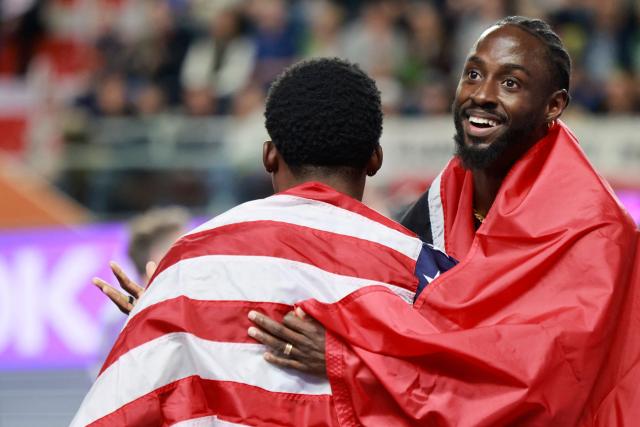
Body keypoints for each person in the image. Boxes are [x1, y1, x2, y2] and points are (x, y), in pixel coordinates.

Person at [249, 16, 640, 425]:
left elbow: (532, 394)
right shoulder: (443, 203)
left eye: (511, 83)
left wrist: (352, 365)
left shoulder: (594, 233)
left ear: (554, 106)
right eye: (473, 74)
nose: (482, 95)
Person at [71, 58, 457, 427]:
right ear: (375, 159)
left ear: (269, 155)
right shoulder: (425, 272)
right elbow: (465, 399)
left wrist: (167, 319)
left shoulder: (189, 262)